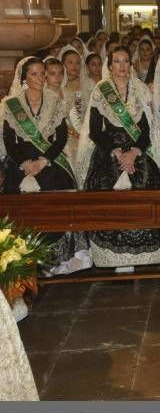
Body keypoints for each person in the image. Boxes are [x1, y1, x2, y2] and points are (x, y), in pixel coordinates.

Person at [75, 46, 160, 269]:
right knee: (107, 187)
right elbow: (95, 131)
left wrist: (134, 152)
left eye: (126, 61)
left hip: (136, 149)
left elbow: (147, 130)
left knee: (147, 183)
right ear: (110, 66)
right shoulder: (101, 90)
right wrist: (117, 152)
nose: (122, 66)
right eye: (117, 61)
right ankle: (116, 258)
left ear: (130, 64)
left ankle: (144, 256)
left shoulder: (140, 90)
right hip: (109, 150)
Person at [0, 57, 91, 276]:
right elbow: (9, 139)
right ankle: (26, 257)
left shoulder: (53, 100)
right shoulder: (12, 104)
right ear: (24, 78)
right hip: (21, 162)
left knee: (59, 188)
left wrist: (43, 161)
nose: (40, 78)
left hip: (48, 160)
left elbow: (60, 138)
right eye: (34, 74)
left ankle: (58, 257)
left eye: (42, 73)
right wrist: (25, 164)